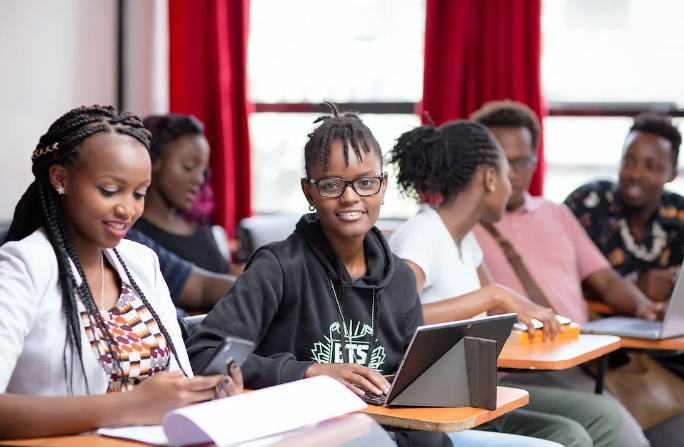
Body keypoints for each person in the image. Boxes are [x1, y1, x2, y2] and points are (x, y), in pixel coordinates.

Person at [186, 104, 561, 447]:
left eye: (365, 183)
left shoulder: (397, 278)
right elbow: (204, 353)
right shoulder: (278, 266)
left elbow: (408, 385)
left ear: (382, 186)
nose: (351, 198)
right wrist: (308, 372)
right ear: (309, 192)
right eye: (331, 185)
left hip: (391, 431)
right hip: (305, 433)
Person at [0, 105, 242, 440]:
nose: (128, 209)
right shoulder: (23, 266)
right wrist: (130, 406)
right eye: (110, 190)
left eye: (139, 193)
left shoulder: (141, 261)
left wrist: (203, 393)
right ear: (60, 179)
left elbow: (175, 379)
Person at [388, 119, 621, 447]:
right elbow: (394, 317)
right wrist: (493, 295)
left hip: (470, 393)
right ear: (490, 177)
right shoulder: (423, 234)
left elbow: (498, 315)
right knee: (569, 435)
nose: (513, 185)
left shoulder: (465, 241)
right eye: (506, 173)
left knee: (604, 415)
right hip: (438, 407)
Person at [564, 113, 684, 303]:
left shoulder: (679, 213)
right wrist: (635, 291)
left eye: (651, 167)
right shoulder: (588, 203)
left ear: (672, 174)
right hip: (592, 324)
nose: (635, 174)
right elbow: (556, 281)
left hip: (661, 326)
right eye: (628, 161)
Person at [135, 114, 233, 275]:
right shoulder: (135, 235)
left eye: (203, 171)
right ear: (154, 161)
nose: (199, 180)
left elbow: (223, 274)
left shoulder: (199, 222)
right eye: (188, 167)